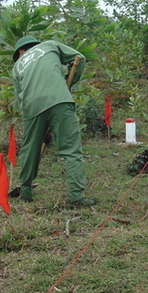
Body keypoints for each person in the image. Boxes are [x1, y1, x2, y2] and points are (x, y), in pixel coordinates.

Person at [11, 35, 96, 207]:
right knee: (71, 149)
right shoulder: (50, 45)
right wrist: (67, 85)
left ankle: (26, 191)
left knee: (29, 150)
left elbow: (20, 98)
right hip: (60, 99)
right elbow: (79, 58)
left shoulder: (17, 67)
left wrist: (36, 123)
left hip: (31, 107)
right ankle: (77, 197)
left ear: (21, 51)